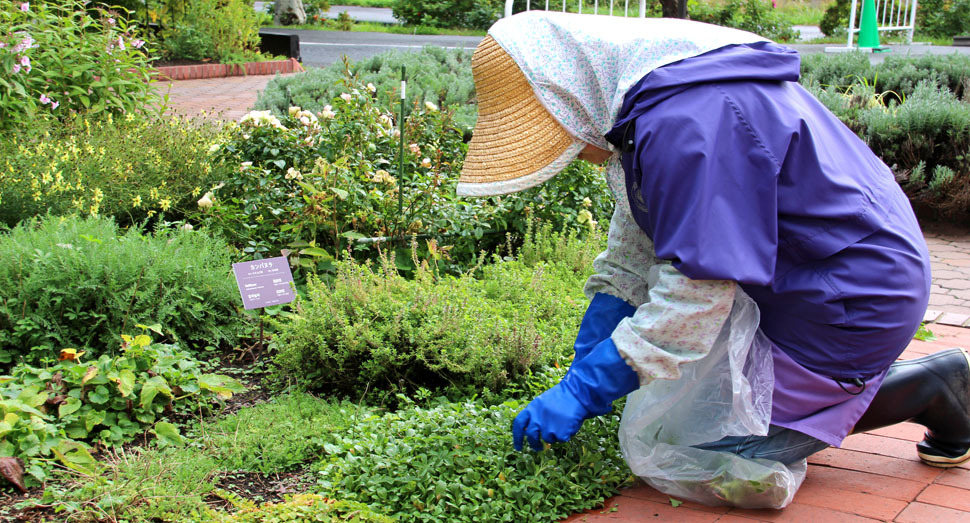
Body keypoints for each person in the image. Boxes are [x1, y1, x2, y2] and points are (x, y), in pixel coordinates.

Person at [455, 11, 970, 507]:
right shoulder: (650, 113)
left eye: (559, 135)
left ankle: (931, 386)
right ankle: (829, 391)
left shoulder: (689, 124)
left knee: (715, 460)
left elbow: (695, 296)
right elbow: (633, 254)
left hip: (850, 297)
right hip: (802, 279)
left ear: (569, 97)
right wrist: (589, 355)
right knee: (689, 420)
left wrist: (585, 391)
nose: (575, 151)